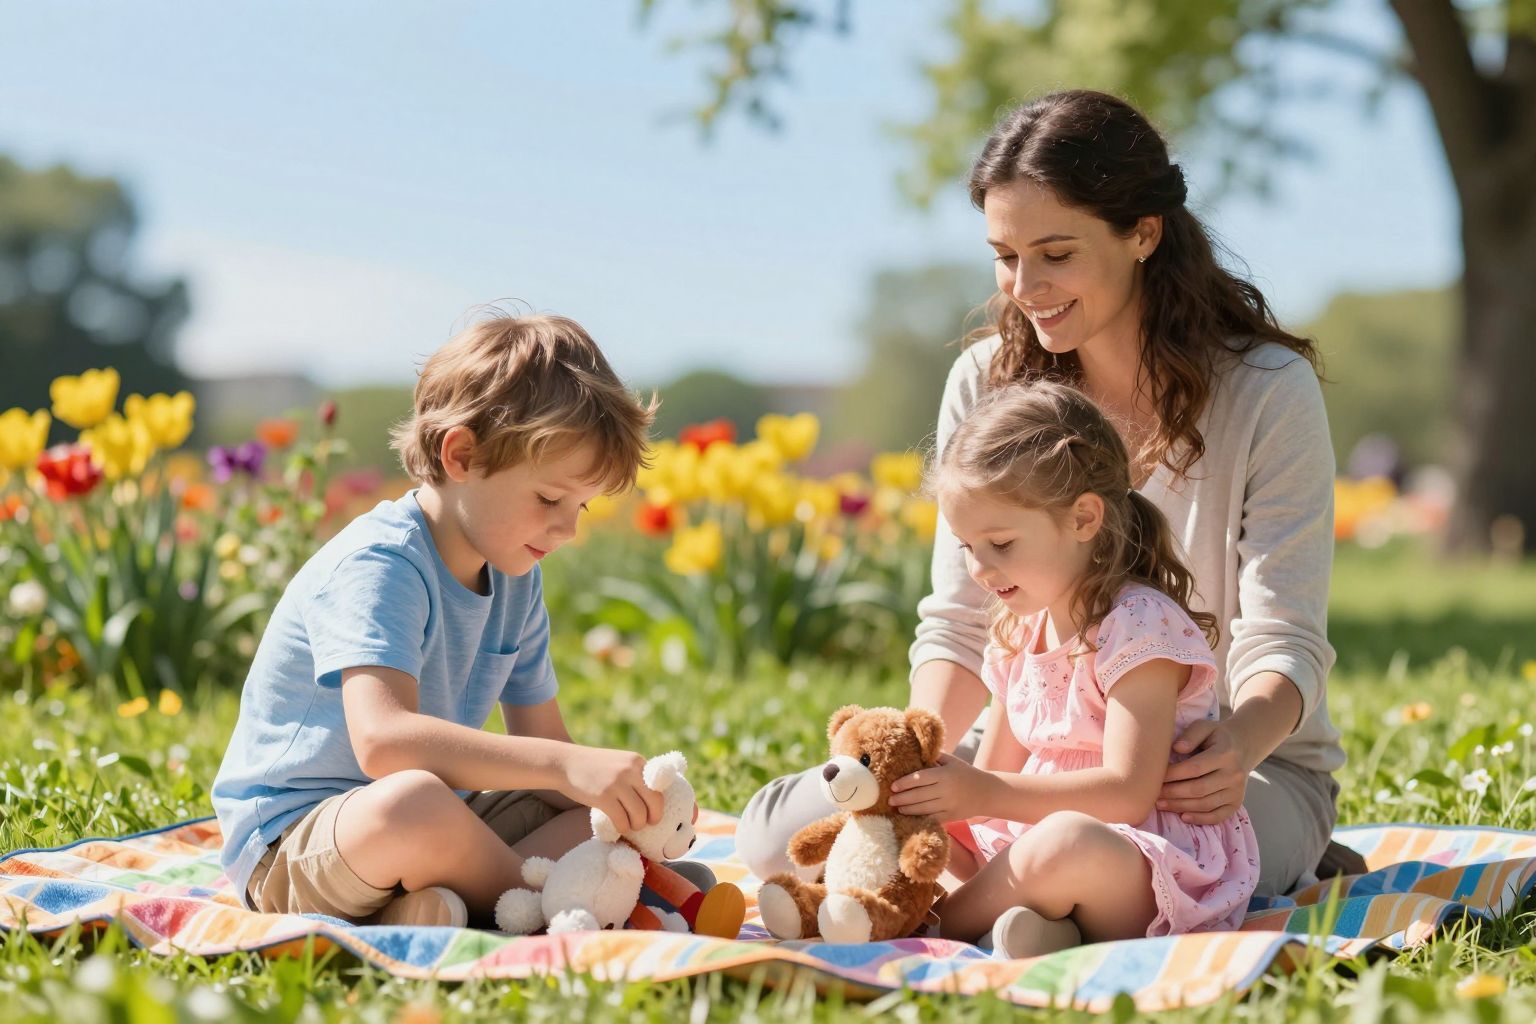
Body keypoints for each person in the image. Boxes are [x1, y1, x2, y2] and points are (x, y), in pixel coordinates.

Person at [738, 89, 1352, 900]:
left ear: (1143, 233)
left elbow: (1284, 637)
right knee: (776, 840)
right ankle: (1043, 899)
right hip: (1032, 754)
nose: (1025, 286)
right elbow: (962, 618)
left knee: (1132, 861)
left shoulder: (1267, 390)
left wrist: (1236, 746)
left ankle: (1154, 876)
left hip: (1213, 773)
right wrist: (912, 769)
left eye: (1056, 254)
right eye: (1005, 255)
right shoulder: (986, 381)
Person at [212, 311, 695, 928]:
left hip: (442, 830)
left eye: (581, 507)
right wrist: (564, 766)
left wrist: (629, 801)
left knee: (596, 818)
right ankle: (568, 904)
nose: (567, 529)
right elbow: (384, 743)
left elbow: (547, 745)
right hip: (296, 847)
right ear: (462, 455)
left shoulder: (516, 576)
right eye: (549, 498)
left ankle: (442, 908)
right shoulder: (380, 564)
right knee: (415, 804)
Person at [890, 381, 1258, 956]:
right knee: (904, 817)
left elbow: (1128, 793)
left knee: (1065, 842)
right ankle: (1041, 930)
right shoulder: (1018, 632)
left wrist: (981, 792)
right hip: (1035, 851)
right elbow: (988, 791)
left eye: (1001, 544)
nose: (980, 568)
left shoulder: (1138, 626)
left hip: (1144, 867)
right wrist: (934, 801)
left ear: (1084, 518)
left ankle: (924, 927)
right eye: (967, 547)